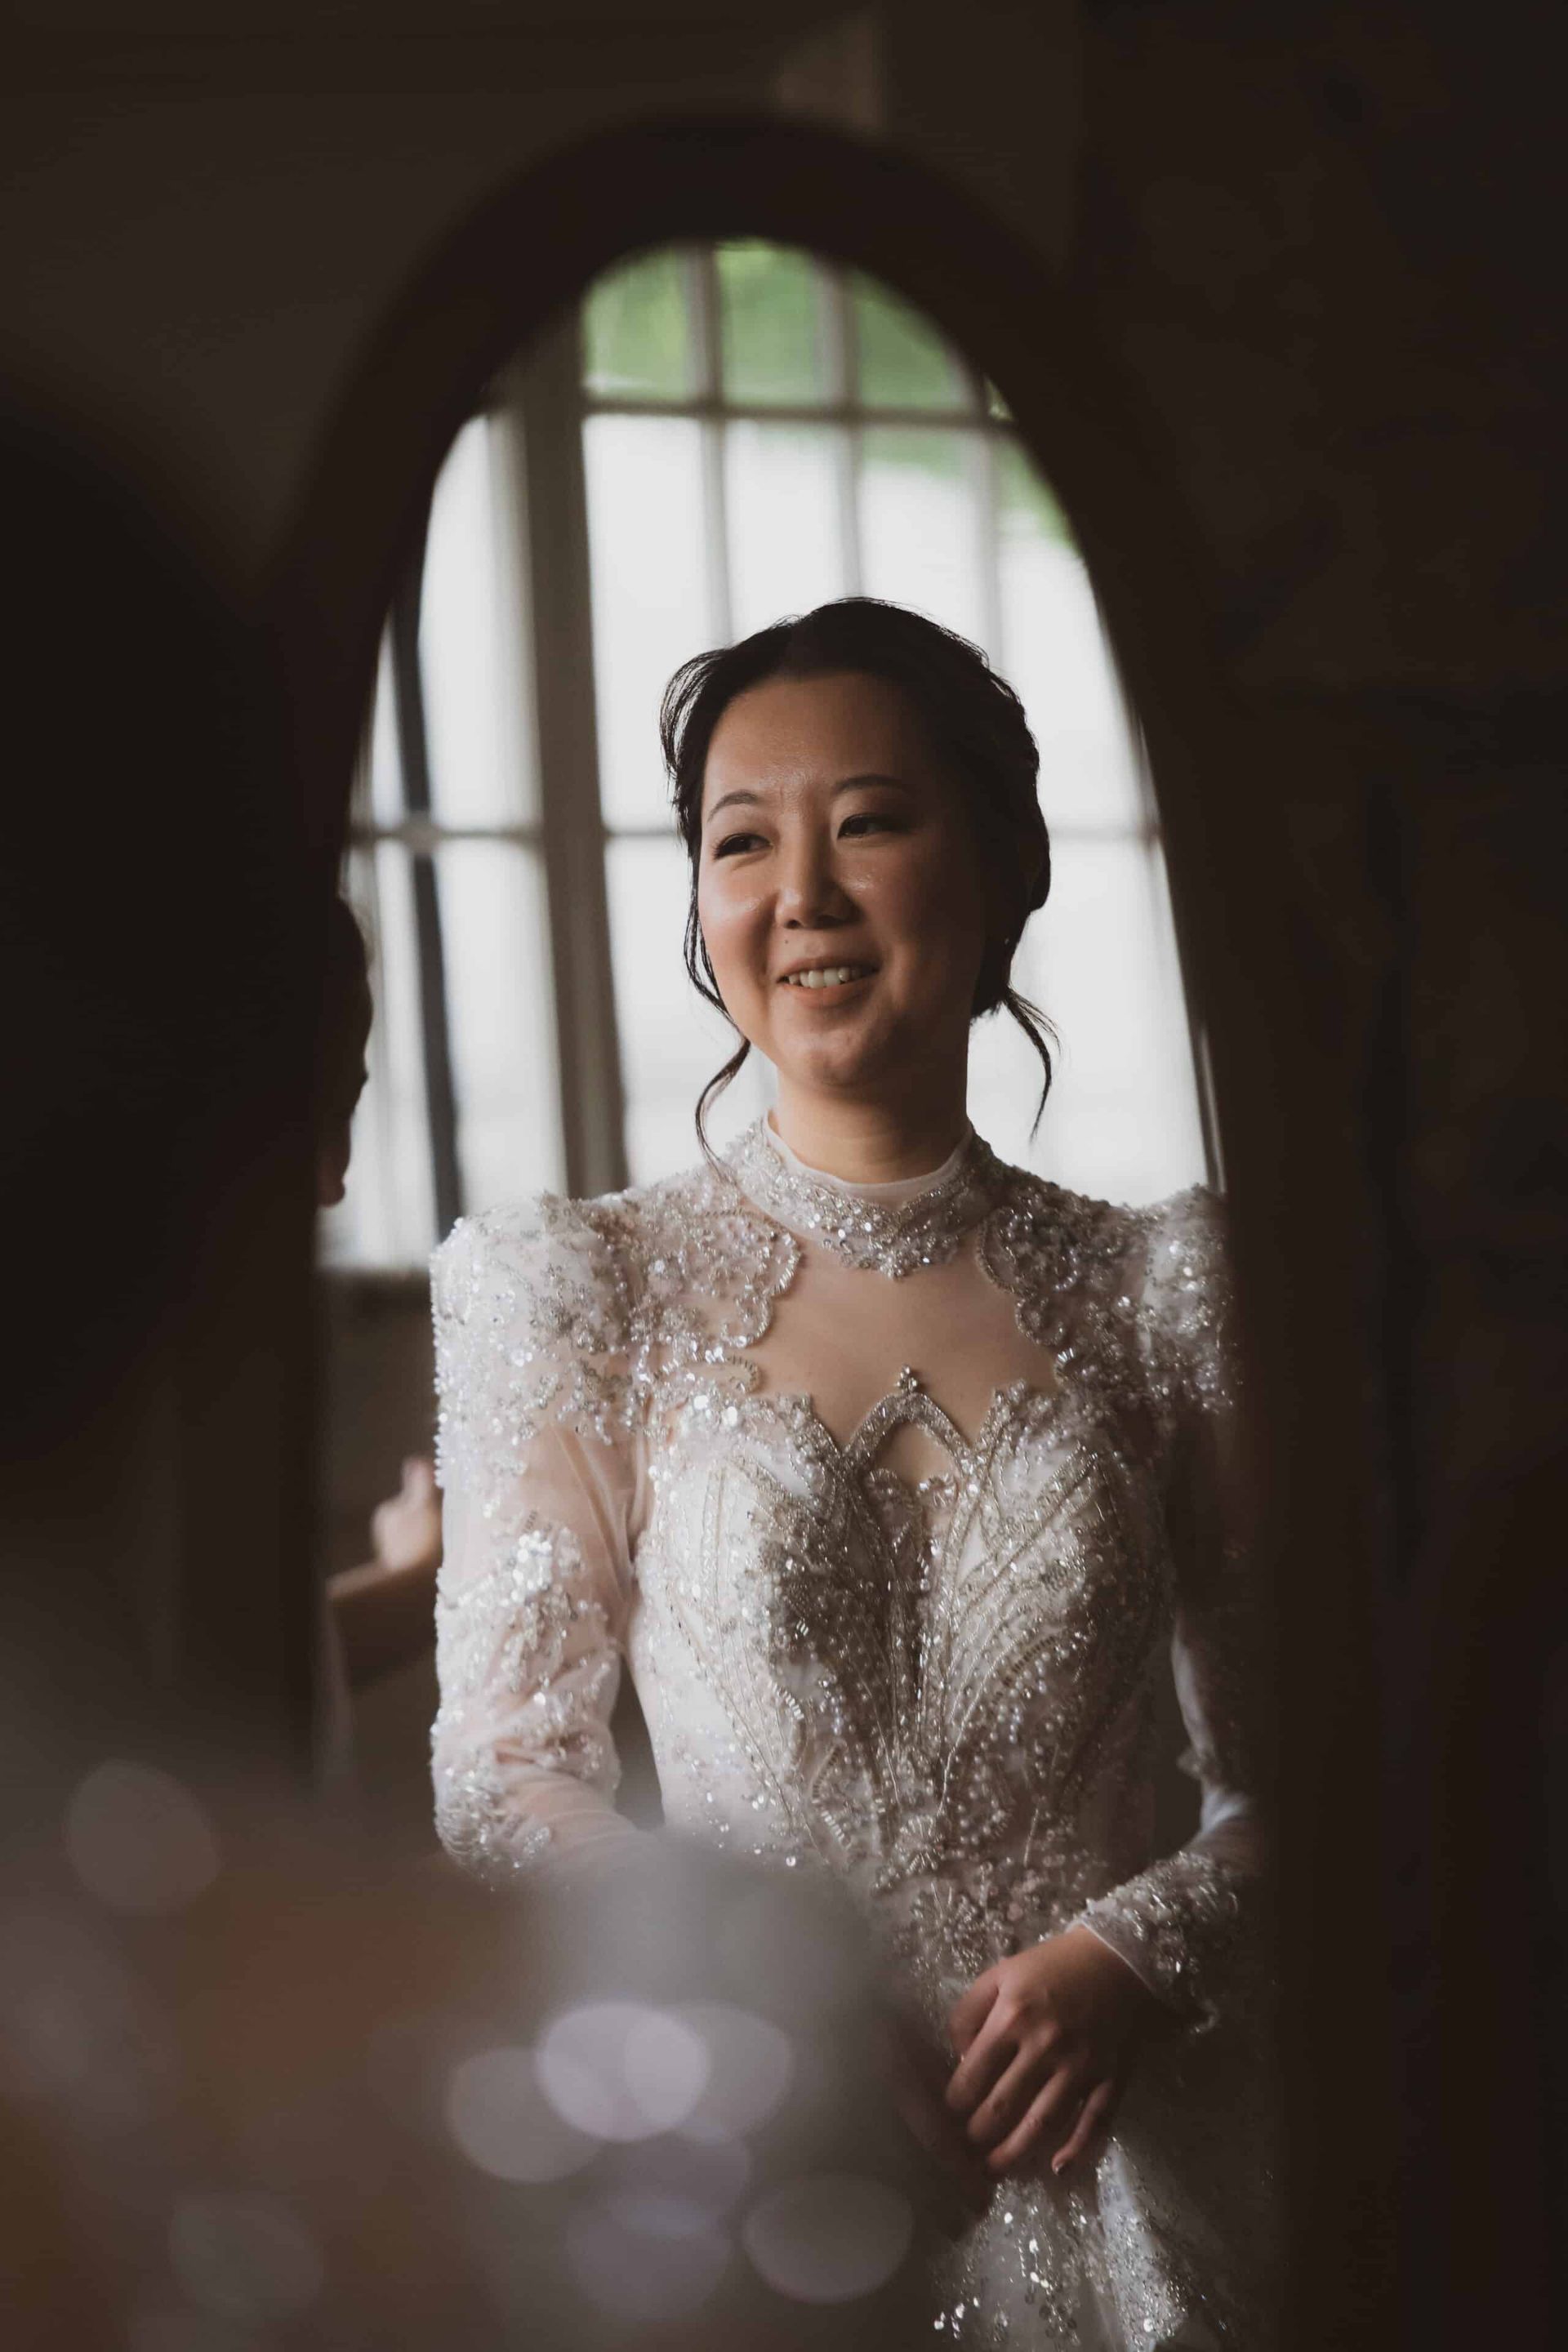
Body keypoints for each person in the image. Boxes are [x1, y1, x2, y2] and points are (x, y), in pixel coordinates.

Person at [429, 599, 1277, 2347]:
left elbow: (1317, 1769)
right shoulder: (581, 1289)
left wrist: (1130, 1957)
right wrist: (770, 2002)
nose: (800, 895)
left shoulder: (1171, 1293)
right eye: (742, 842)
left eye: (869, 823)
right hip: (761, 2182)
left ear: (1005, 865)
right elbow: (505, 1775)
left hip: (1128, 2188)